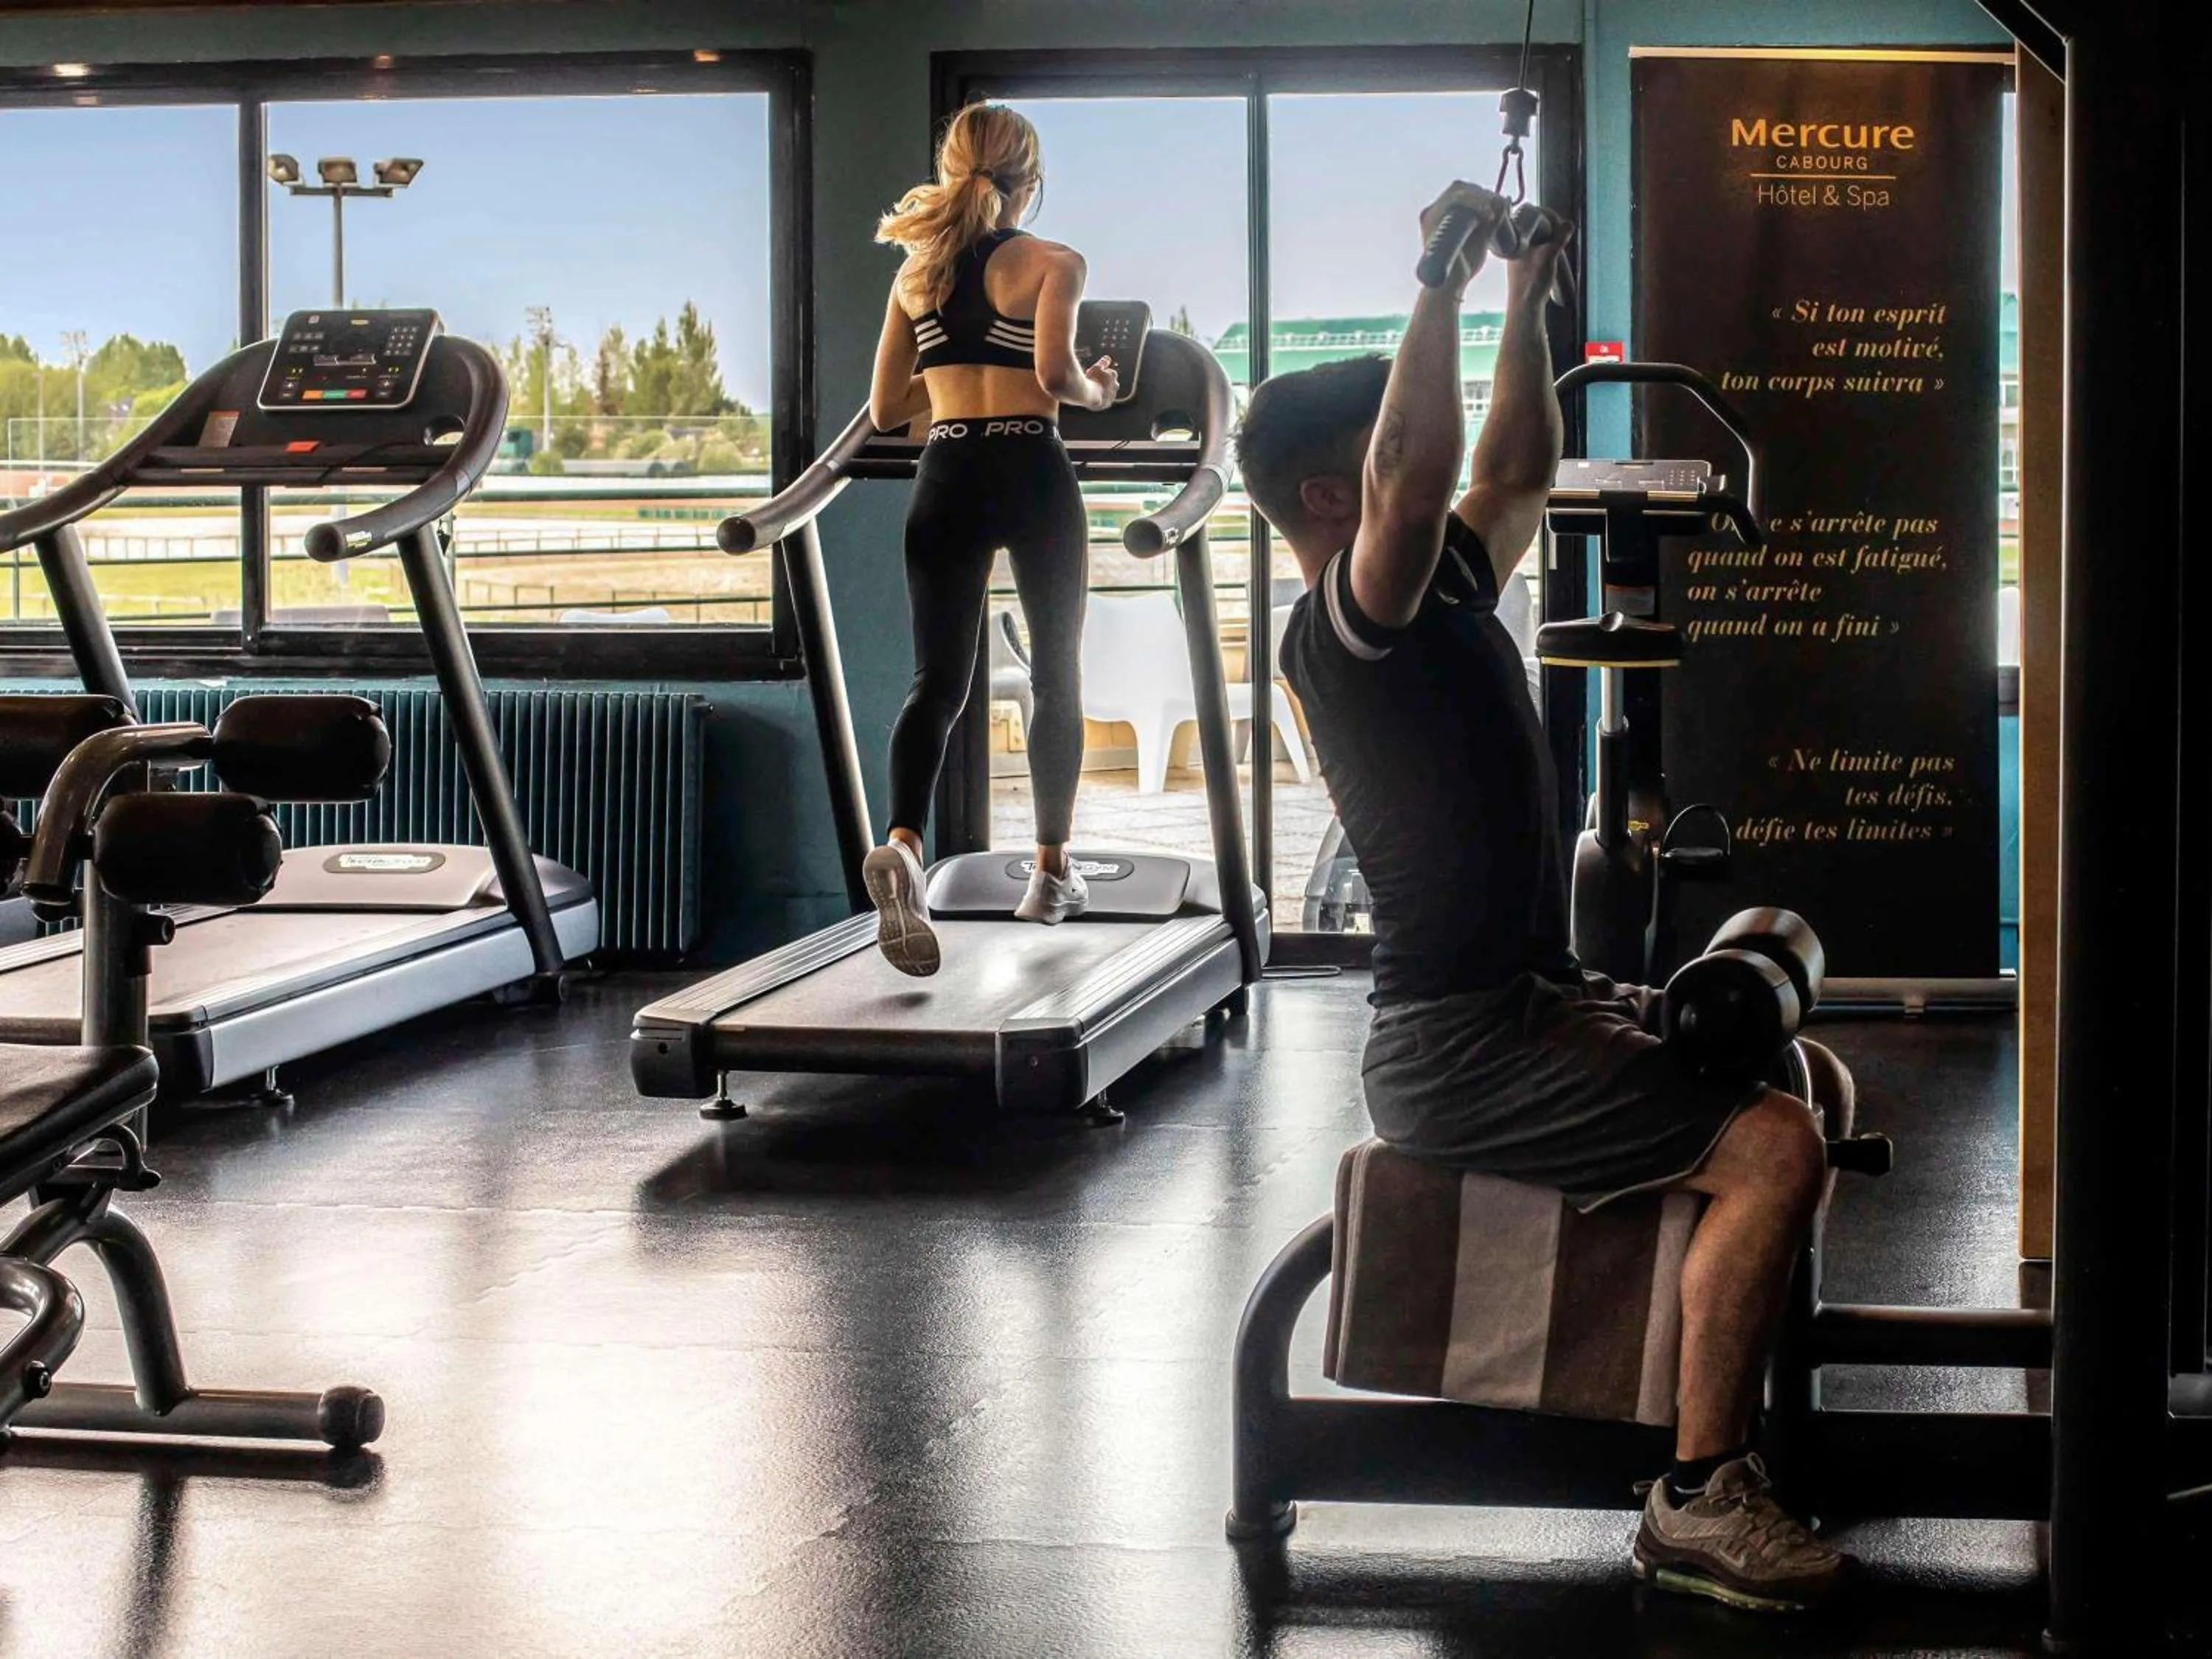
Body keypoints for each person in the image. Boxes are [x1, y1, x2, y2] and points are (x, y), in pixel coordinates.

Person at [1232, 181, 1849, 1614]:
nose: (1421, 485)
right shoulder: (1345, 629)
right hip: (1461, 1044)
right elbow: (1415, 470)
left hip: (1526, 1002)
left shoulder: (1439, 581)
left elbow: (1509, 467)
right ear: (1336, 496)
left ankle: (1705, 1412)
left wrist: (1525, 289)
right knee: (1768, 1153)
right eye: (1384, 467)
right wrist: (1437, 278)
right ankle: (1699, 1495)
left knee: (1790, 1075)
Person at [862, 102, 1119, 976]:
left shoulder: (915, 276)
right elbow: (1054, 373)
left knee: (937, 681)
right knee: (1058, 671)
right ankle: (1050, 873)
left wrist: (954, 390)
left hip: (947, 472)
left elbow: (888, 410)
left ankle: (901, 842)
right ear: (1031, 180)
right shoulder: (1055, 262)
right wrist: (1098, 388)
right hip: (1031, 471)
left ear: (953, 166)